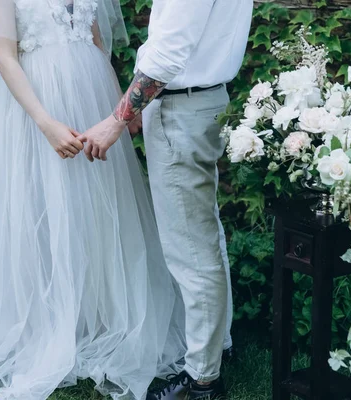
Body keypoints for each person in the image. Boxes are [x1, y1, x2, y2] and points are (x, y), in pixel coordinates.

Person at [0, 0, 188, 399]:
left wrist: (119, 112)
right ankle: (48, 322)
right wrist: (47, 123)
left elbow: (96, 42)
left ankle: (98, 318)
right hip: (36, 105)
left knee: (99, 214)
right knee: (44, 209)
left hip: (90, 95)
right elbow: (6, 58)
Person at [80, 0, 254, 399]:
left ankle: (202, 380)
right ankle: (216, 346)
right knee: (204, 236)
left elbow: (169, 54)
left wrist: (116, 119)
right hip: (194, 101)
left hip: (183, 108)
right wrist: (144, 102)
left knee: (191, 251)